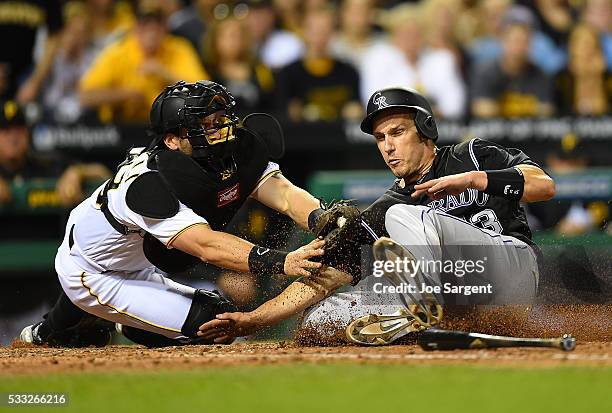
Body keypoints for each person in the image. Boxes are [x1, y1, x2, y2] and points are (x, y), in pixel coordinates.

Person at [199, 87, 556, 345]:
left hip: (511, 273)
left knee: (404, 215)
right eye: (380, 137)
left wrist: (477, 179)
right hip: (457, 295)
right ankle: (415, 319)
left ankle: (418, 312)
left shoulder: (472, 156)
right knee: (321, 320)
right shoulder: (387, 204)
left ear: (427, 131)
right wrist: (254, 319)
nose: (388, 145)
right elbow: (327, 273)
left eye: (397, 132)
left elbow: (544, 186)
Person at [19, 80, 327, 348]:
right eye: (205, 125)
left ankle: (75, 324)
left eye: (221, 119)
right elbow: (205, 245)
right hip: (93, 269)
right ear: (172, 140)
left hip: (135, 260)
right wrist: (283, 261)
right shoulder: (149, 183)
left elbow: (284, 195)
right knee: (215, 324)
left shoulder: (225, 154)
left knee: (208, 315)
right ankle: (74, 326)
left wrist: (321, 218)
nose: (220, 130)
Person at [79, 2, 207, 124]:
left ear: (165, 28)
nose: (151, 32)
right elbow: (86, 96)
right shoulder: (118, 52)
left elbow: (203, 91)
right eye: (145, 25)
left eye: (157, 25)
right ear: (136, 29)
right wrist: (125, 95)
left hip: (170, 125)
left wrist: (164, 74)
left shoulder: (178, 49)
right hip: (124, 127)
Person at [470, 6, 555, 118]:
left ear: (530, 44)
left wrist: (503, 109)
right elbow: (481, 109)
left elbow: (546, 111)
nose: (518, 47)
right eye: (514, 40)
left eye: (523, 41)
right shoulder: (486, 72)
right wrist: (528, 109)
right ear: (503, 41)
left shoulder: (541, 75)